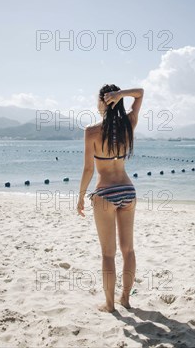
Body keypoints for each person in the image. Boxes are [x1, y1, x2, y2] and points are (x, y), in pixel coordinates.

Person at [77, 84, 144, 313]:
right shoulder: (129, 124)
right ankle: (124, 298)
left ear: (102, 102)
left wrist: (80, 197)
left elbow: (88, 170)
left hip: (105, 193)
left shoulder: (91, 131)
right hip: (128, 190)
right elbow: (141, 92)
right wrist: (122, 94)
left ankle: (109, 304)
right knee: (128, 250)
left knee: (108, 253)